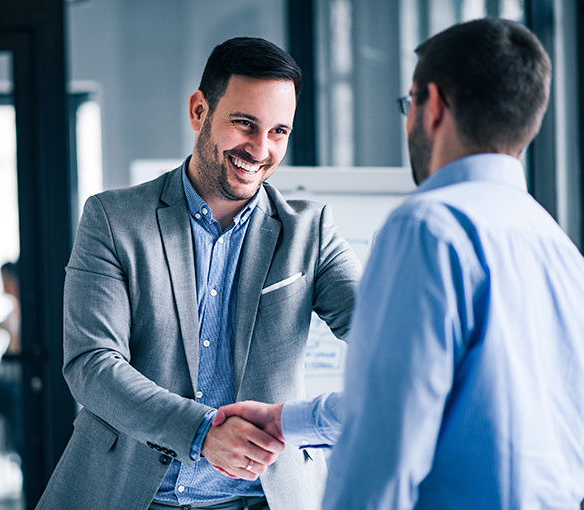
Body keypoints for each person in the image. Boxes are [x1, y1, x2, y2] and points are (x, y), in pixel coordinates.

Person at [216, 18, 584, 509]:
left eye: (408, 104)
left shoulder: (428, 227)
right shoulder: (560, 250)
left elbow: (385, 437)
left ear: (432, 106)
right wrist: (287, 421)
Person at [37, 37, 362, 510]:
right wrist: (202, 433)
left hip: (265, 499)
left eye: (278, 132)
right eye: (245, 124)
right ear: (198, 111)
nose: (260, 148)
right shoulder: (113, 219)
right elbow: (91, 364)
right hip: (131, 494)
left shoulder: (309, 232)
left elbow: (385, 332)